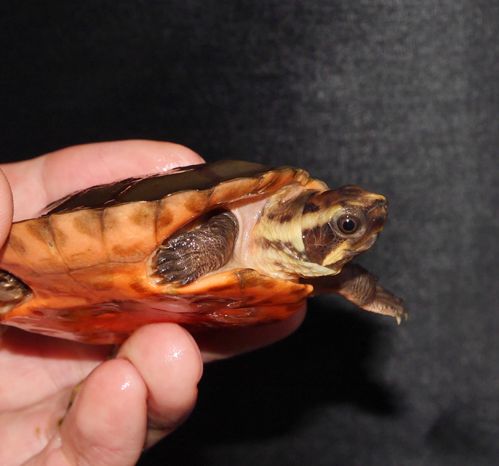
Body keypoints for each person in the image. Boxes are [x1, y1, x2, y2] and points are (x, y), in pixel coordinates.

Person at [0, 140, 306, 466]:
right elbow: (218, 217)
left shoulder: (295, 282)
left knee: (150, 365)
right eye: (341, 226)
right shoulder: (239, 218)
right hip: (62, 269)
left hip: (101, 316)